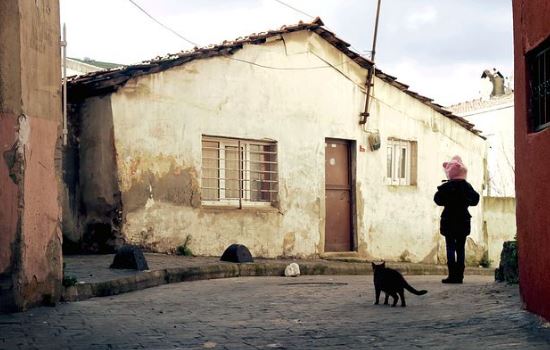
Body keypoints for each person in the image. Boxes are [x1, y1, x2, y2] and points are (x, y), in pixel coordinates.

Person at [434, 155, 480, 284]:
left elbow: (437, 200)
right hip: (463, 220)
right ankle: (459, 276)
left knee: (450, 248)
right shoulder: (467, 186)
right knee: (460, 248)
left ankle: (451, 275)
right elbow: (475, 200)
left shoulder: (446, 187)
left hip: (448, 219)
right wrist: (465, 201)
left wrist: (448, 199)